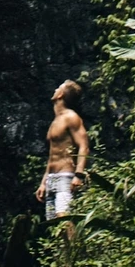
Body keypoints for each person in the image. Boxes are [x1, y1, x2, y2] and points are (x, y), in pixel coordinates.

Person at [35, 79, 90, 227]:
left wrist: (78, 175)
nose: (55, 89)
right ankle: (67, 251)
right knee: (54, 225)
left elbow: (84, 146)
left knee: (64, 219)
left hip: (65, 176)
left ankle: (77, 251)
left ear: (61, 95)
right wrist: (43, 182)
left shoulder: (71, 117)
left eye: (58, 88)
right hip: (52, 178)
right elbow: (53, 154)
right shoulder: (56, 120)